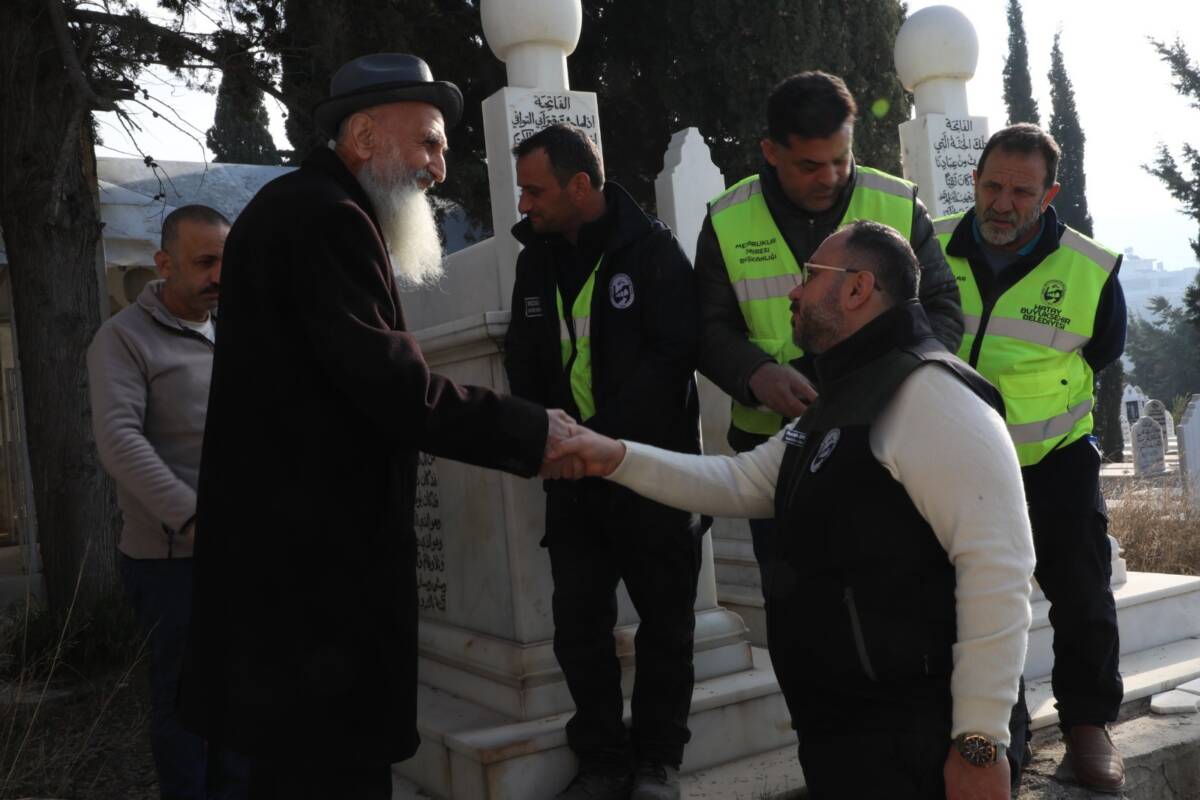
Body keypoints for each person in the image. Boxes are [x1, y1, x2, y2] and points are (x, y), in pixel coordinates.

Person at [177, 54, 573, 799]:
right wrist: (536, 433)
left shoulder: (303, 208)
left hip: (292, 581)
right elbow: (392, 388)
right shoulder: (329, 219)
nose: (439, 167)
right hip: (315, 590)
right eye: (428, 141)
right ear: (364, 135)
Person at [547, 220, 1035, 800]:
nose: (793, 292)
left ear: (857, 289)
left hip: (917, 737)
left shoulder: (933, 396)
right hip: (848, 733)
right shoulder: (847, 394)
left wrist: (979, 744)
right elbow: (742, 481)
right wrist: (614, 458)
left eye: (810, 276)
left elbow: (999, 570)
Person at [694, 70, 963, 595]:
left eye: (842, 159)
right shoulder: (727, 218)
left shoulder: (897, 203)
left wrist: (875, 382)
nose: (831, 177)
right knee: (796, 608)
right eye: (810, 165)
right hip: (775, 446)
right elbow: (706, 327)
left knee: (898, 601)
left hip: (886, 441)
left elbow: (943, 314)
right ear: (770, 151)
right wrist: (755, 374)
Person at [503, 123, 704, 800]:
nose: (524, 205)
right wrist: (543, 439)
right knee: (579, 629)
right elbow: (523, 361)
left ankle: (656, 761)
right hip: (571, 481)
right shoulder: (535, 259)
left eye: (535, 190)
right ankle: (602, 759)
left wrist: (602, 443)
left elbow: (673, 357)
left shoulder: (651, 251)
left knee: (666, 628)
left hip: (650, 474)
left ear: (580, 185)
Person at [932, 123, 1128, 793]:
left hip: (1055, 460)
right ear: (975, 182)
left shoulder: (1091, 268)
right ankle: (999, 739)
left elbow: (1100, 351)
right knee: (975, 603)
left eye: (1021, 191)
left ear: (1049, 195)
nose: (1002, 204)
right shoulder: (929, 244)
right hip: (956, 463)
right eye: (991, 186)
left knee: (1081, 593)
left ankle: (1087, 725)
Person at [87, 204, 250, 799]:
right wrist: (193, 519)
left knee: (238, 700)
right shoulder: (121, 339)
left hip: (238, 554)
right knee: (186, 707)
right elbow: (120, 443)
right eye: (205, 262)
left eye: (227, 262)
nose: (219, 276)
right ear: (163, 263)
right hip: (171, 563)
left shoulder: (229, 329)